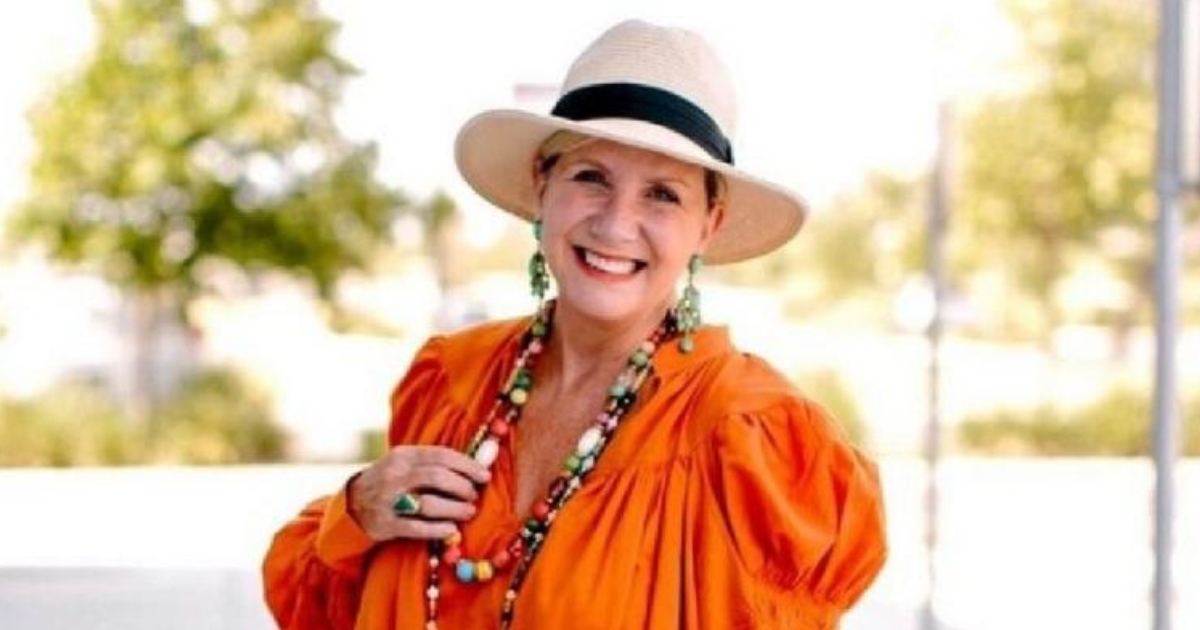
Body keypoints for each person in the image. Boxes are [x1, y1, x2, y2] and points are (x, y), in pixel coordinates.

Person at [263, 19, 886, 630]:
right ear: (543, 183)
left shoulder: (751, 441)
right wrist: (360, 511)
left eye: (663, 194)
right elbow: (321, 603)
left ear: (709, 224)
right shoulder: (450, 379)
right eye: (591, 177)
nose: (615, 224)